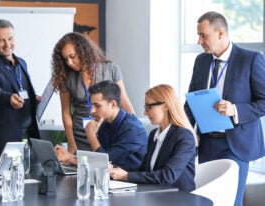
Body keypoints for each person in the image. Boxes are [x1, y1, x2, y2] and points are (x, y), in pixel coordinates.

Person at [184, 11, 265, 206]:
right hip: (206, 145)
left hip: (236, 146)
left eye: (203, 35)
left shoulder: (251, 59)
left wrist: (235, 110)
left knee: (230, 202)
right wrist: (187, 130)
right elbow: (190, 103)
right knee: (206, 201)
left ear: (220, 32)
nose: (199, 41)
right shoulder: (201, 61)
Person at [51, 32, 134, 154]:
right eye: (65, 59)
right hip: (80, 135)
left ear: (83, 51)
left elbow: (124, 102)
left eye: (72, 56)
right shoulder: (66, 77)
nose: (69, 63)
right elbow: (66, 113)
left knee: (107, 167)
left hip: (108, 133)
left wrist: (136, 130)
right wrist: (71, 144)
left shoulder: (110, 69)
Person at [110, 84, 197, 192]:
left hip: (179, 198)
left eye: (149, 107)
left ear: (166, 106)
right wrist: (116, 171)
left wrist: (126, 176)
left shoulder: (184, 137)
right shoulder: (153, 135)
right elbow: (144, 170)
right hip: (156, 194)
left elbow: (167, 176)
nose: (145, 113)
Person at [0, 19, 40, 154]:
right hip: (2, 141)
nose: (7, 44)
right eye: (1, 40)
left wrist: (34, 99)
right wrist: (9, 98)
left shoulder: (22, 63)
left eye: (10, 38)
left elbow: (21, 90)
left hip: (27, 136)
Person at [55, 81, 147, 171]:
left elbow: (105, 162)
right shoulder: (104, 123)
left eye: (97, 106)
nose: (92, 111)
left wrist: (91, 136)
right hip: (111, 179)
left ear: (113, 104)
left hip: (134, 183)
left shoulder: (132, 128)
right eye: (92, 105)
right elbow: (98, 159)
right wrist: (69, 157)